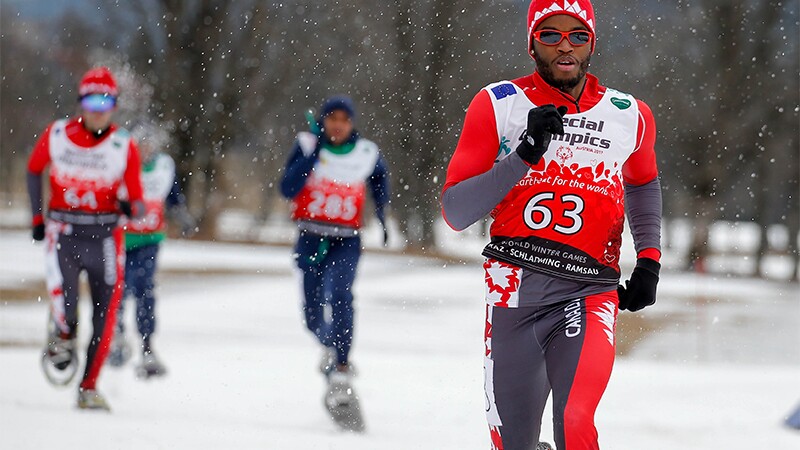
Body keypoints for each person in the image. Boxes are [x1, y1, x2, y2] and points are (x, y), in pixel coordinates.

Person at [441, 1, 662, 448]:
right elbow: (456, 211)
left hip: (588, 291)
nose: (566, 46)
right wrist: (523, 154)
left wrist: (649, 260)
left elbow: (643, 183)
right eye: (551, 34)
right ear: (531, 42)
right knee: (513, 443)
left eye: (578, 35)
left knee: (576, 419)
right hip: (513, 289)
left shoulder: (629, 114)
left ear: (592, 43)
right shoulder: (499, 104)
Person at [27, 67, 145, 411]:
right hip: (63, 232)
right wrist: (37, 216)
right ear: (81, 102)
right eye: (91, 100)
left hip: (105, 237)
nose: (98, 108)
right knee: (66, 306)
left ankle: (89, 386)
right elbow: (34, 169)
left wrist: (128, 205)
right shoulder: (58, 134)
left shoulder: (124, 145)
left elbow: (138, 204)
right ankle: (63, 335)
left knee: (106, 315)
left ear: (114, 106)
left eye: (105, 100)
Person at [279, 95, 390, 432]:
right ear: (324, 121)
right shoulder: (307, 145)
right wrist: (314, 155)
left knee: (340, 293)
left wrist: (383, 218)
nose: (338, 125)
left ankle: (341, 365)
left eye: (344, 119)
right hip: (310, 237)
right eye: (332, 118)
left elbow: (379, 184)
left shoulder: (366, 153)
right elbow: (288, 187)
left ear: (352, 122)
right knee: (312, 316)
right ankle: (330, 345)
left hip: (346, 240)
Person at [107, 122, 196, 379]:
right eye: (140, 145)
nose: (145, 150)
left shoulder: (164, 167)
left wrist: (182, 215)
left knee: (145, 288)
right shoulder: (122, 165)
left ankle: (147, 347)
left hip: (150, 239)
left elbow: (174, 196)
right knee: (119, 289)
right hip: (121, 239)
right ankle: (118, 338)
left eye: (149, 145)